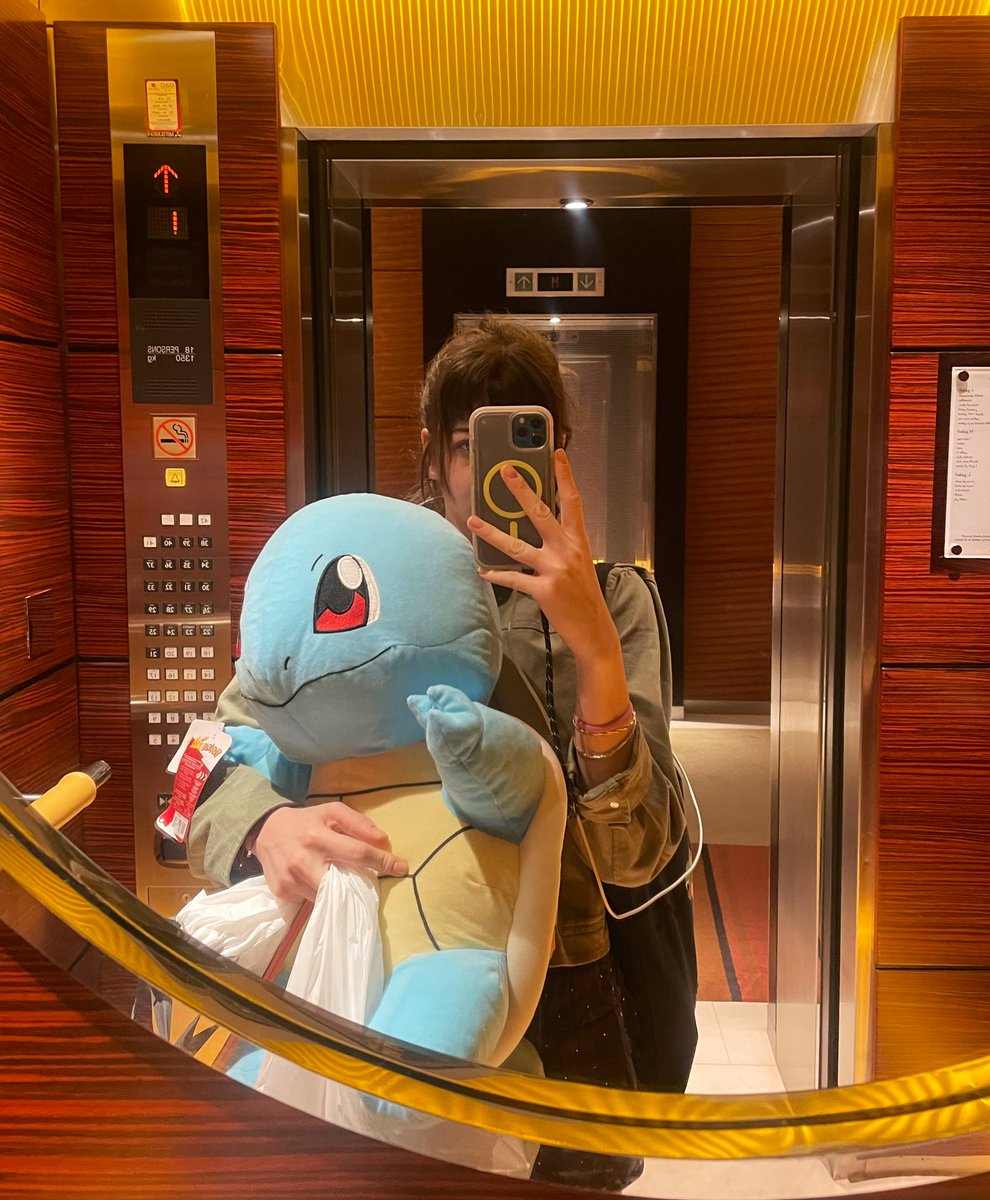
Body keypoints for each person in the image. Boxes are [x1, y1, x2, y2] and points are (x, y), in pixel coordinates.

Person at [188, 316, 697, 1187]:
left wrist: (596, 654)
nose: (498, 475)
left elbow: (635, 854)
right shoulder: (363, 579)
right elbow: (201, 765)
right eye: (470, 445)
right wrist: (264, 824)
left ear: (562, 458)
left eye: (528, 446)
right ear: (431, 458)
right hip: (375, 968)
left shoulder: (615, 600)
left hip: (559, 983)